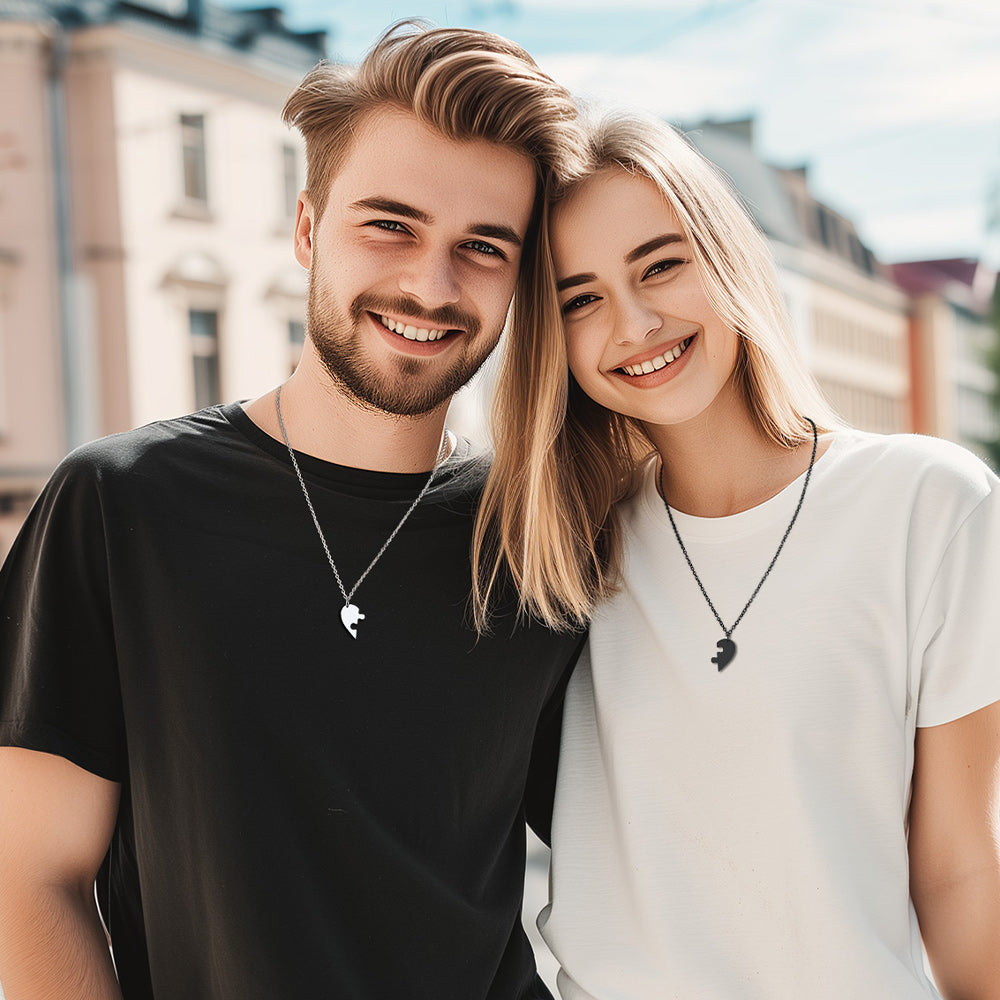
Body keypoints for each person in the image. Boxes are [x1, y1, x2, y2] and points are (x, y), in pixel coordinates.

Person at [0, 23, 587, 999]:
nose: (429, 286)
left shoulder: (540, 539)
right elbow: (28, 875)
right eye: (388, 225)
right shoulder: (124, 504)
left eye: (482, 247)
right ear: (309, 227)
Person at [473, 111, 1000, 998]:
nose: (634, 323)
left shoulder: (927, 503)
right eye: (582, 298)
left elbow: (957, 865)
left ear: (727, 257)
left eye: (661, 266)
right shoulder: (560, 551)